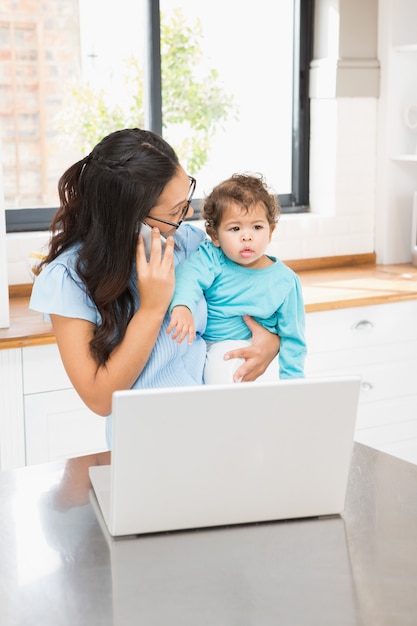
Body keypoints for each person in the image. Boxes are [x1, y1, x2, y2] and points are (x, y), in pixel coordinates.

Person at [29, 129, 280, 447]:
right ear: (131, 220)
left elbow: (252, 296)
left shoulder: (188, 245)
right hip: (146, 447)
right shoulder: (70, 279)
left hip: (215, 429)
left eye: (186, 196)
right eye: (175, 212)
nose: (187, 215)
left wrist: (270, 341)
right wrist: (151, 308)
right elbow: (99, 398)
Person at [167, 173, 306, 383]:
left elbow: (293, 338)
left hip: (240, 349)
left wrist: (292, 382)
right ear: (215, 236)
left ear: (271, 232)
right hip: (200, 347)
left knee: (225, 379)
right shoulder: (212, 256)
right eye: (235, 228)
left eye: (257, 227)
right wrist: (182, 306)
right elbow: (189, 276)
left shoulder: (286, 281)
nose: (247, 236)